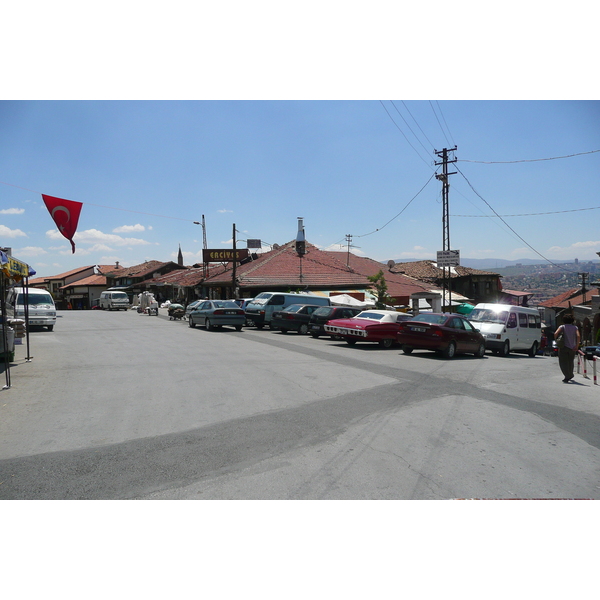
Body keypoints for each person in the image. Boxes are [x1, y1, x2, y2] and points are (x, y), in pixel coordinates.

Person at [555, 314, 580, 383]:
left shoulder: (562, 327)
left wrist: (557, 340)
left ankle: (567, 376)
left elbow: (555, 333)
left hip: (563, 347)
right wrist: (576, 346)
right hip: (572, 348)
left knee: (563, 362)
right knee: (570, 362)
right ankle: (570, 374)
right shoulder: (575, 327)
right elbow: (578, 336)